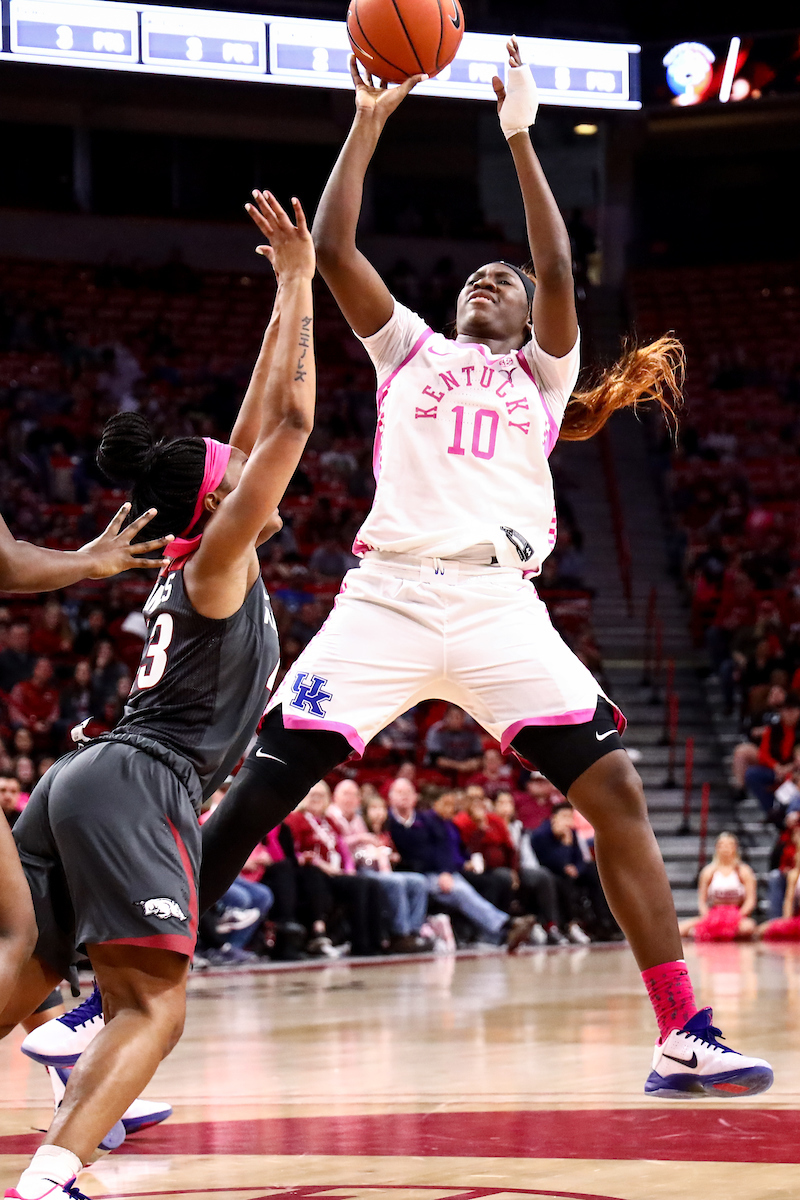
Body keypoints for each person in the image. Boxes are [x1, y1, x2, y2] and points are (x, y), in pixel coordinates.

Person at [199, 42, 772, 1099]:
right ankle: (115, 991)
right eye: (476, 275)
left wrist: (519, 133)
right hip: (386, 602)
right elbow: (332, 245)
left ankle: (680, 1028)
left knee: (618, 793)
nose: (488, 282)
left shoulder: (542, 376)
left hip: (500, 608)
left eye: (500, 282)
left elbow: (559, 268)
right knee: (252, 798)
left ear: (524, 319)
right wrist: (369, 118)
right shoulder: (407, 348)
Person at [2, 189, 318, 1199]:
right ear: (223, 500)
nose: (255, 481)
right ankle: (51, 1178)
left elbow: (255, 420)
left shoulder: (196, 547)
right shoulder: (216, 561)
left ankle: (63, 1148)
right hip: (142, 782)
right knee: (153, 1009)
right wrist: (306, 284)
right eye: (239, 479)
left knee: (29, 974)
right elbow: (293, 422)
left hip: (80, 780)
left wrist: (280, 296)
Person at [386, 778, 533, 949]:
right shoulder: (388, 823)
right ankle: (504, 926)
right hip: (413, 874)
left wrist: (445, 872)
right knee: (461, 891)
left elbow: (443, 847)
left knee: (469, 887)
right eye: (399, 792)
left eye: (407, 792)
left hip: (438, 873)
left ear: (415, 797)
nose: (404, 797)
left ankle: (500, 932)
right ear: (390, 797)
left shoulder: (426, 820)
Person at [286, 781, 383, 958]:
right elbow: (293, 852)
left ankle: (376, 941)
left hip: (335, 872)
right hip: (313, 871)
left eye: (321, 795)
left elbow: (342, 849)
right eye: (313, 794)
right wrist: (318, 863)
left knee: (370, 883)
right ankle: (359, 945)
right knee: (355, 885)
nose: (317, 799)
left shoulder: (328, 821)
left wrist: (349, 868)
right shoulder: (295, 819)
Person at [353, 792, 433, 953]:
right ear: (366, 812)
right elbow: (355, 853)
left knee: (419, 881)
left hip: (385, 871)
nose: (378, 813)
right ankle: (400, 935)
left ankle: (414, 931)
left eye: (382, 808)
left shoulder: (385, 832)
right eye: (374, 808)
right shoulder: (360, 827)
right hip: (364, 870)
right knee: (397, 882)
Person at [531, 803, 616, 945]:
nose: (567, 821)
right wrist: (565, 845)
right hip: (552, 874)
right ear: (553, 818)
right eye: (564, 816)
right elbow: (547, 861)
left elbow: (582, 859)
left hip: (570, 872)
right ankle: (571, 925)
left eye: (570, 816)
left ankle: (605, 922)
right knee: (563, 881)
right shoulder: (541, 834)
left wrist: (577, 868)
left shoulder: (573, 832)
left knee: (595, 872)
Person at [678, 833, 757, 942]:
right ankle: (713, 931)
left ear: (735, 848)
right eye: (722, 845)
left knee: (748, 928)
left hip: (737, 913)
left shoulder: (744, 871)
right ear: (716, 848)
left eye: (729, 845)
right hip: (714, 913)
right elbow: (702, 901)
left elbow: (750, 900)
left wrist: (738, 915)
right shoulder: (708, 871)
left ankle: (713, 933)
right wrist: (708, 917)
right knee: (680, 930)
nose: (725, 848)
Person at [745, 693, 800, 814]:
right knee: (752, 774)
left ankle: (788, 813)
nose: (789, 714)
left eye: (793, 710)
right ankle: (772, 811)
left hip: (794, 772)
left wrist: (789, 768)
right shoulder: (773, 729)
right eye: (786, 710)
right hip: (775, 770)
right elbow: (762, 754)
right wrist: (776, 767)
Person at [758, 823, 800, 940]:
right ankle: (775, 918)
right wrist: (787, 924)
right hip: (798, 918)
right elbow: (789, 901)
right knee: (761, 931)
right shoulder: (794, 874)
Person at [425, 705, 483, 780]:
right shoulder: (437, 730)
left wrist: (473, 763)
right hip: (440, 772)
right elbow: (436, 759)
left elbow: (479, 757)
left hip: (466, 772)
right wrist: (460, 766)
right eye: (452, 717)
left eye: (458, 717)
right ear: (446, 717)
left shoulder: (471, 731)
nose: (455, 720)